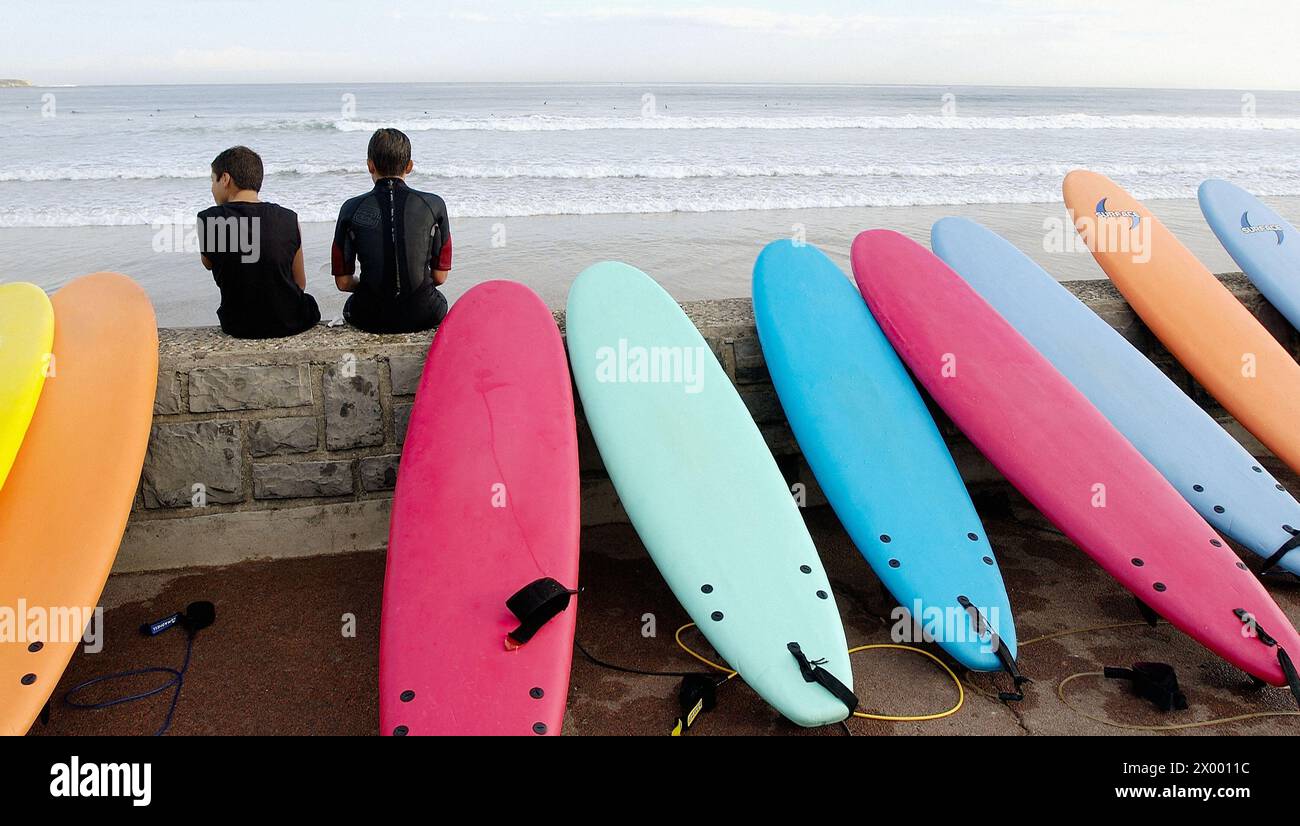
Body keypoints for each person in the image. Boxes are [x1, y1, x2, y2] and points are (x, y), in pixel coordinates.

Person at [331, 129, 452, 333]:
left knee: (354, 305)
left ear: (370, 165)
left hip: (368, 316)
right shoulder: (434, 205)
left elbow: (343, 283)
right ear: (409, 166)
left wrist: (373, 285)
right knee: (438, 301)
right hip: (424, 314)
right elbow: (440, 277)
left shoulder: (350, 209)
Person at [197, 146, 321, 338]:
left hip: (237, 324)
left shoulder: (209, 219)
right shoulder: (288, 218)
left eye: (213, 180)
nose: (212, 188)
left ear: (225, 179)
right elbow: (300, 283)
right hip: (288, 321)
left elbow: (208, 262)